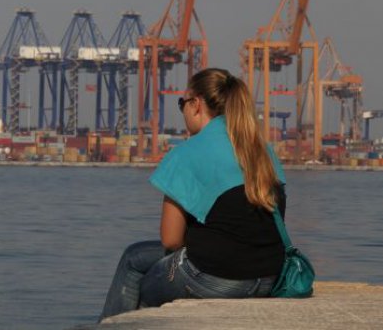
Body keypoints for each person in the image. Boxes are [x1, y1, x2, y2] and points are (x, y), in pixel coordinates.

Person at [99, 68, 288, 321]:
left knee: (138, 271)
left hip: (220, 279)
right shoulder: (261, 149)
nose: (183, 111)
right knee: (138, 256)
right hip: (269, 276)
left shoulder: (187, 153)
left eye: (182, 104)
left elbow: (171, 240)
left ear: (196, 104)